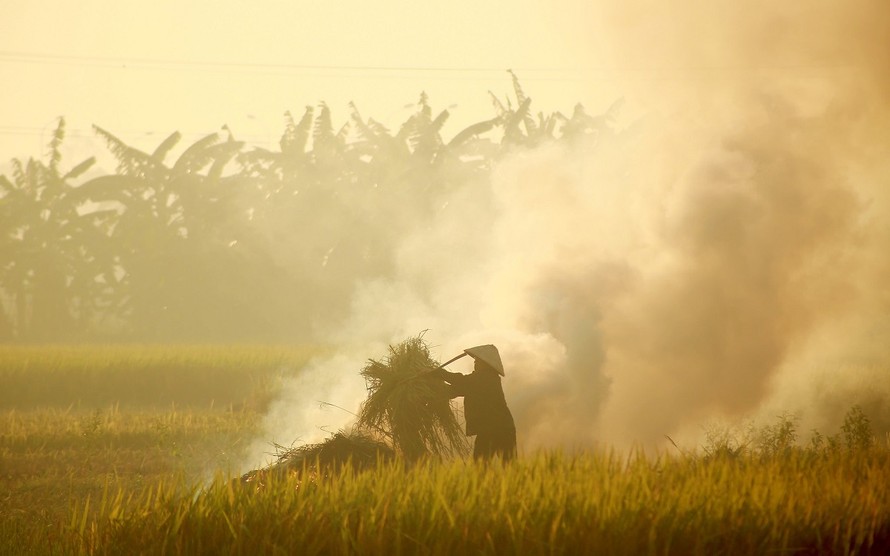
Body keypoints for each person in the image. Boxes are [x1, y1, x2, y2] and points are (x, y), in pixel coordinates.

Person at [434, 344, 517, 461]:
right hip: (494, 428)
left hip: (497, 428)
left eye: (478, 361)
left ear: (485, 364)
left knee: (487, 467)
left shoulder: (486, 379)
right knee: (486, 466)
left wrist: (437, 372)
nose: (475, 363)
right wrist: (430, 392)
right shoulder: (479, 380)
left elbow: (461, 381)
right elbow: (456, 390)